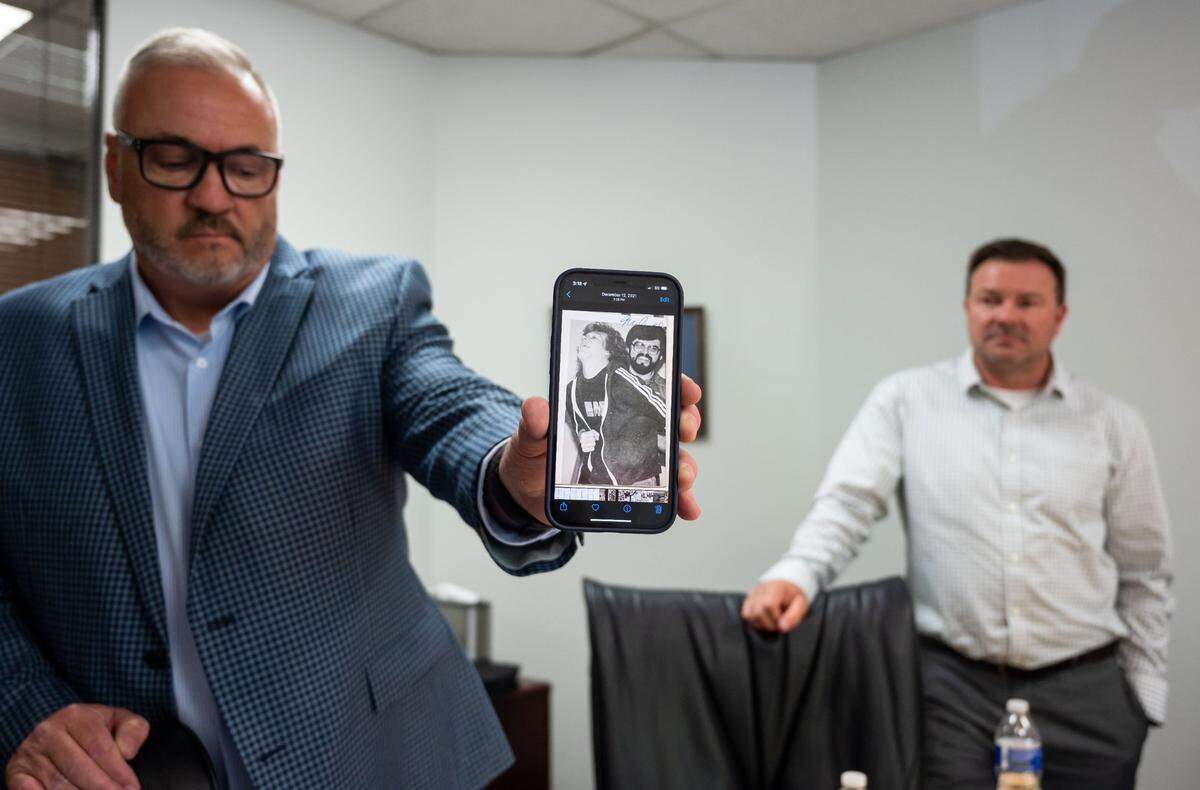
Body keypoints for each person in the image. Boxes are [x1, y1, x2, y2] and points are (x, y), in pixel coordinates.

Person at [0, 28, 703, 790]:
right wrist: (22, 705)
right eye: (174, 159)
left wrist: (513, 471)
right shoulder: (18, 337)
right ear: (115, 164)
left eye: (245, 166)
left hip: (372, 759)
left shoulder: (371, 303)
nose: (212, 196)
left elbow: (448, 403)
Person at [741, 238, 1172, 790]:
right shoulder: (905, 400)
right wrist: (796, 573)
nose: (1005, 316)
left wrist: (1142, 694)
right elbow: (848, 506)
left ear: (1058, 316)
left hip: (1087, 695)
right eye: (990, 299)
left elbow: (1146, 569)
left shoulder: (1113, 423)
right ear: (968, 306)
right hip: (951, 691)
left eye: (1026, 302)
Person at [565, 322, 668, 487]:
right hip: (595, 478)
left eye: (593, 337)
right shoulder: (571, 389)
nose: (585, 339)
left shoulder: (619, 378)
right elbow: (580, 426)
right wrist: (583, 435)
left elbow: (669, 418)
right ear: (629, 349)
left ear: (608, 352)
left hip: (635, 480)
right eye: (639, 345)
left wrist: (648, 438)